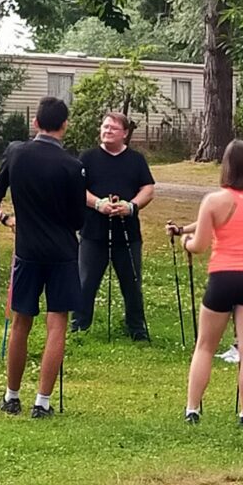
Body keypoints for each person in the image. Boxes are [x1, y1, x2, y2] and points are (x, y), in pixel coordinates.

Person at [0, 96, 85, 418]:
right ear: (65, 126)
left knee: (20, 323)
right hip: (62, 252)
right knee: (57, 324)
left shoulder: (16, 152)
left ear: (36, 123)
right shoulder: (72, 166)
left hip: (27, 250)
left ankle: (11, 395)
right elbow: (78, 220)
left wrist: (1, 214)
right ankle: (42, 402)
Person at [181, 140, 243, 426]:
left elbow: (200, 245)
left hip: (222, 275)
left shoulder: (214, 201)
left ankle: (193, 408)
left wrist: (187, 242)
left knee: (205, 346)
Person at [72, 112, 156, 340]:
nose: (107, 131)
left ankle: (137, 329)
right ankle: (79, 326)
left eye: (113, 128)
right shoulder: (87, 158)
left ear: (125, 134)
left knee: (132, 283)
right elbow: (77, 189)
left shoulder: (136, 160)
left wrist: (131, 206)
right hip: (93, 232)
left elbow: (148, 189)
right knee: (86, 282)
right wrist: (98, 203)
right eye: (105, 127)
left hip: (127, 233)